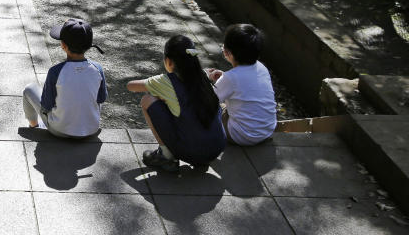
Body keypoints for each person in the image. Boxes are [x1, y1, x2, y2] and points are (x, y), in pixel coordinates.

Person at [127, 35, 226, 172]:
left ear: (169, 61)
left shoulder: (166, 81)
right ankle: (201, 158)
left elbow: (131, 86)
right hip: (217, 148)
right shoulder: (202, 77)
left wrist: (157, 89)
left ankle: (166, 155)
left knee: (148, 99)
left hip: (192, 152)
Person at [22, 18, 107, 139]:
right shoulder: (98, 69)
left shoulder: (55, 71)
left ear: (63, 46)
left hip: (59, 130)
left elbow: (46, 105)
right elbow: (101, 98)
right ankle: (85, 123)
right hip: (91, 129)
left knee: (29, 89)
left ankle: (34, 126)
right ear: (89, 46)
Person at [205, 24, 277, 146]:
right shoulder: (262, 67)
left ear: (227, 53)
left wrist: (206, 79)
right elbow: (244, 84)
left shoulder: (230, 78)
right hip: (267, 131)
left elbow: (207, 100)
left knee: (212, 108)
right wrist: (223, 79)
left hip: (242, 136)